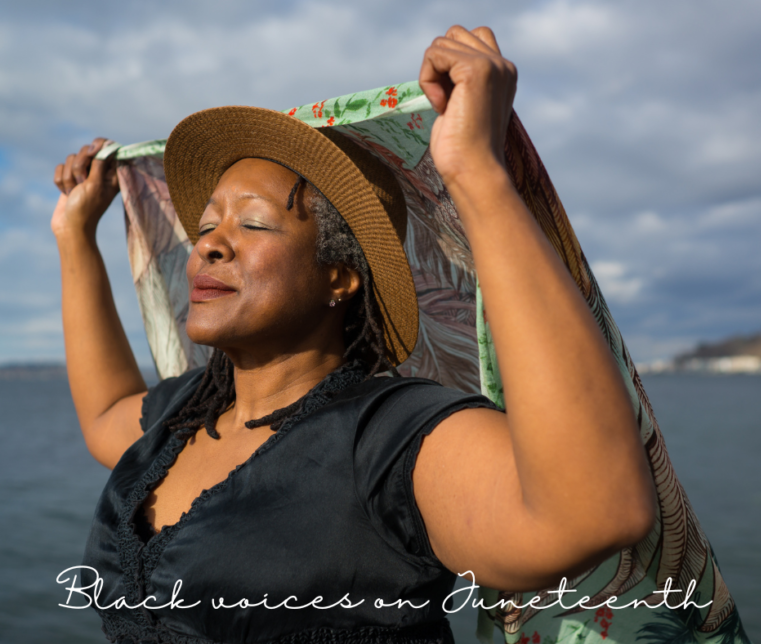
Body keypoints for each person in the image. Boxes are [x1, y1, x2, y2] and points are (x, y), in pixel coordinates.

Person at [52, 25, 656, 644]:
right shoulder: (183, 415)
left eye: (254, 224)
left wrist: (475, 170)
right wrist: (76, 237)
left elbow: (597, 510)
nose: (208, 243)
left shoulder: (390, 435)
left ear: (338, 279)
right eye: (205, 226)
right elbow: (104, 416)